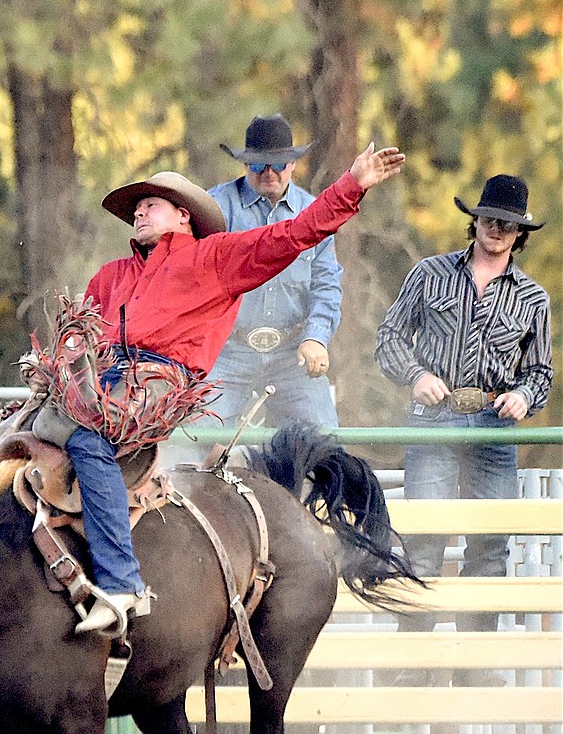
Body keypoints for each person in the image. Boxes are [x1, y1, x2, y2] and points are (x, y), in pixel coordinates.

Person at [69, 142, 406, 635]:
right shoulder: (110, 276)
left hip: (161, 384)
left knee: (88, 442)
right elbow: (81, 332)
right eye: (135, 207)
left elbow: (293, 235)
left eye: (151, 203)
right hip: (104, 383)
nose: (139, 211)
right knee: (9, 439)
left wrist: (351, 185)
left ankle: (121, 582)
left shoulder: (214, 258)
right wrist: (59, 358)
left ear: (183, 216)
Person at [375, 174, 553, 686]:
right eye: (490, 218)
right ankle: (415, 665)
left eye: (509, 224)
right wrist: (416, 376)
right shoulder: (429, 273)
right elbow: (389, 336)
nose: (497, 229)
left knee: (490, 545)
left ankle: (474, 663)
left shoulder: (534, 299)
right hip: (434, 418)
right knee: (424, 539)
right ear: (473, 221)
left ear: (521, 235)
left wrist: (524, 396)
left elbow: (539, 371)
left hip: (494, 426)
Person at [207, 114, 342, 429]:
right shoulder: (215, 207)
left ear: (293, 164)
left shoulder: (315, 215)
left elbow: (327, 286)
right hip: (226, 351)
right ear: (244, 165)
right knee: (192, 440)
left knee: (325, 445)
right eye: (258, 165)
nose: (268, 173)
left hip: (292, 353)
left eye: (278, 164)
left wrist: (317, 338)